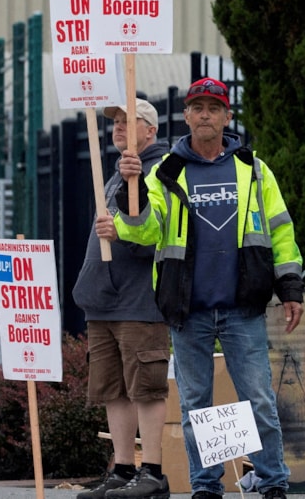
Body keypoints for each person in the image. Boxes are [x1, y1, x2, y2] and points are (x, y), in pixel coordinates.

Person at [97, 77, 305, 499]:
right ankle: (205, 486)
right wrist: (129, 194)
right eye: (198, 107)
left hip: (241, 307)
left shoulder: (253, 169)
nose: (206, 114)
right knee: (195, 407)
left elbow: (281, 232)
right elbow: (143, 231)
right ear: (187, 116)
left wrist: (291, 288)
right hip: (187, 309)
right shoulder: (166, 171)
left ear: (228, 116)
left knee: (259, 402)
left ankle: (274, 483)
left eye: (214, 107)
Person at [74, 99, 172, 499]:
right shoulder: (116, 173)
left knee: (145, 387)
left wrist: (124, 227)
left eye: (130, 121)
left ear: (151, 131)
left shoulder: (160, 171)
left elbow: (159, 232)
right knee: (113, 388)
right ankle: (123, 468)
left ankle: (152, 472)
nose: (118, 127)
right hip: (104, 301)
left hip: (139, 301)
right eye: (114, 121)